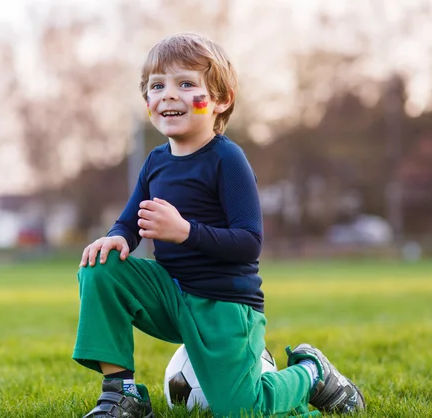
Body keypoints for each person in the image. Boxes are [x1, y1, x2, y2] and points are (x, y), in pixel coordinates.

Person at [73, 33, 365, 418]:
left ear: (221, 99)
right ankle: (121, 393)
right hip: (171, 293)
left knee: (243, 409)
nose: (168, 95)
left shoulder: (228, 159)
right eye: (157, 86)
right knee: (100, 267)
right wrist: (113, 239)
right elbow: (129, 221)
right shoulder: (155, 162)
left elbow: (249, 242)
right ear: (147, 101)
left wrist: (184, 231)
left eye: (186, 84)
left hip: (224, 303)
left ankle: (310, 373)